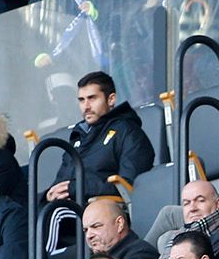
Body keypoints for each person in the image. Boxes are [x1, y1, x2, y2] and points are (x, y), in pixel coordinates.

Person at [46, 72, 156, 201]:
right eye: (82, 100)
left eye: (92, 98)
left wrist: (78, 189)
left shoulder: (129, 132)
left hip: (108, 210)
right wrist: (50, 195)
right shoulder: (78, 137)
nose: (86, 106)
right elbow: (60, 183)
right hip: (72, 208)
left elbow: (129, 187)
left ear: (111, 99)